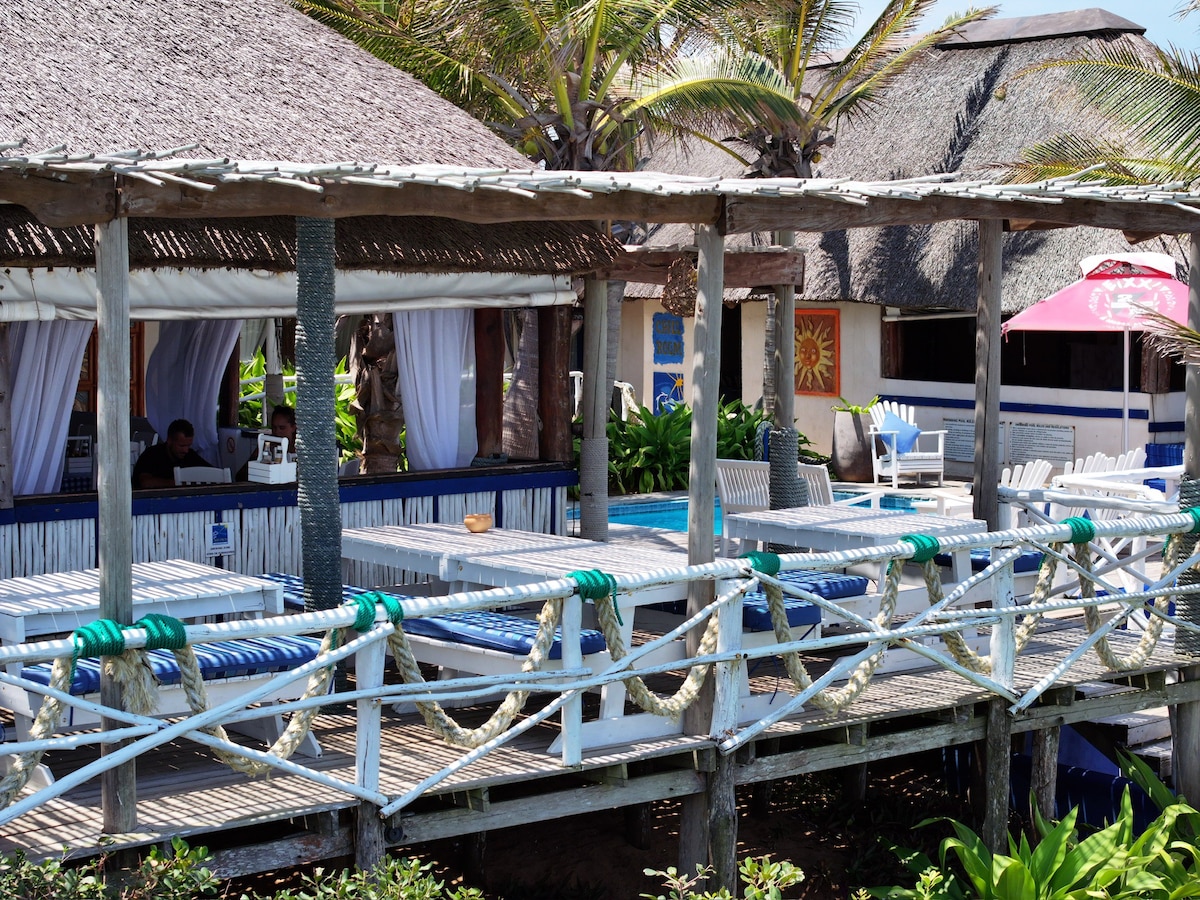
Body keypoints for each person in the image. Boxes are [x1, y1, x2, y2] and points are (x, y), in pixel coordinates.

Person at [132, 419, 214, 489]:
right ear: (169, 440)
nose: (186, 450)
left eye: (188, 445)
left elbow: (213, 474)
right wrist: (178, 483)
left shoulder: (190, 455)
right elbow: (146, 483)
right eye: (181, 446)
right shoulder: (152, 455)